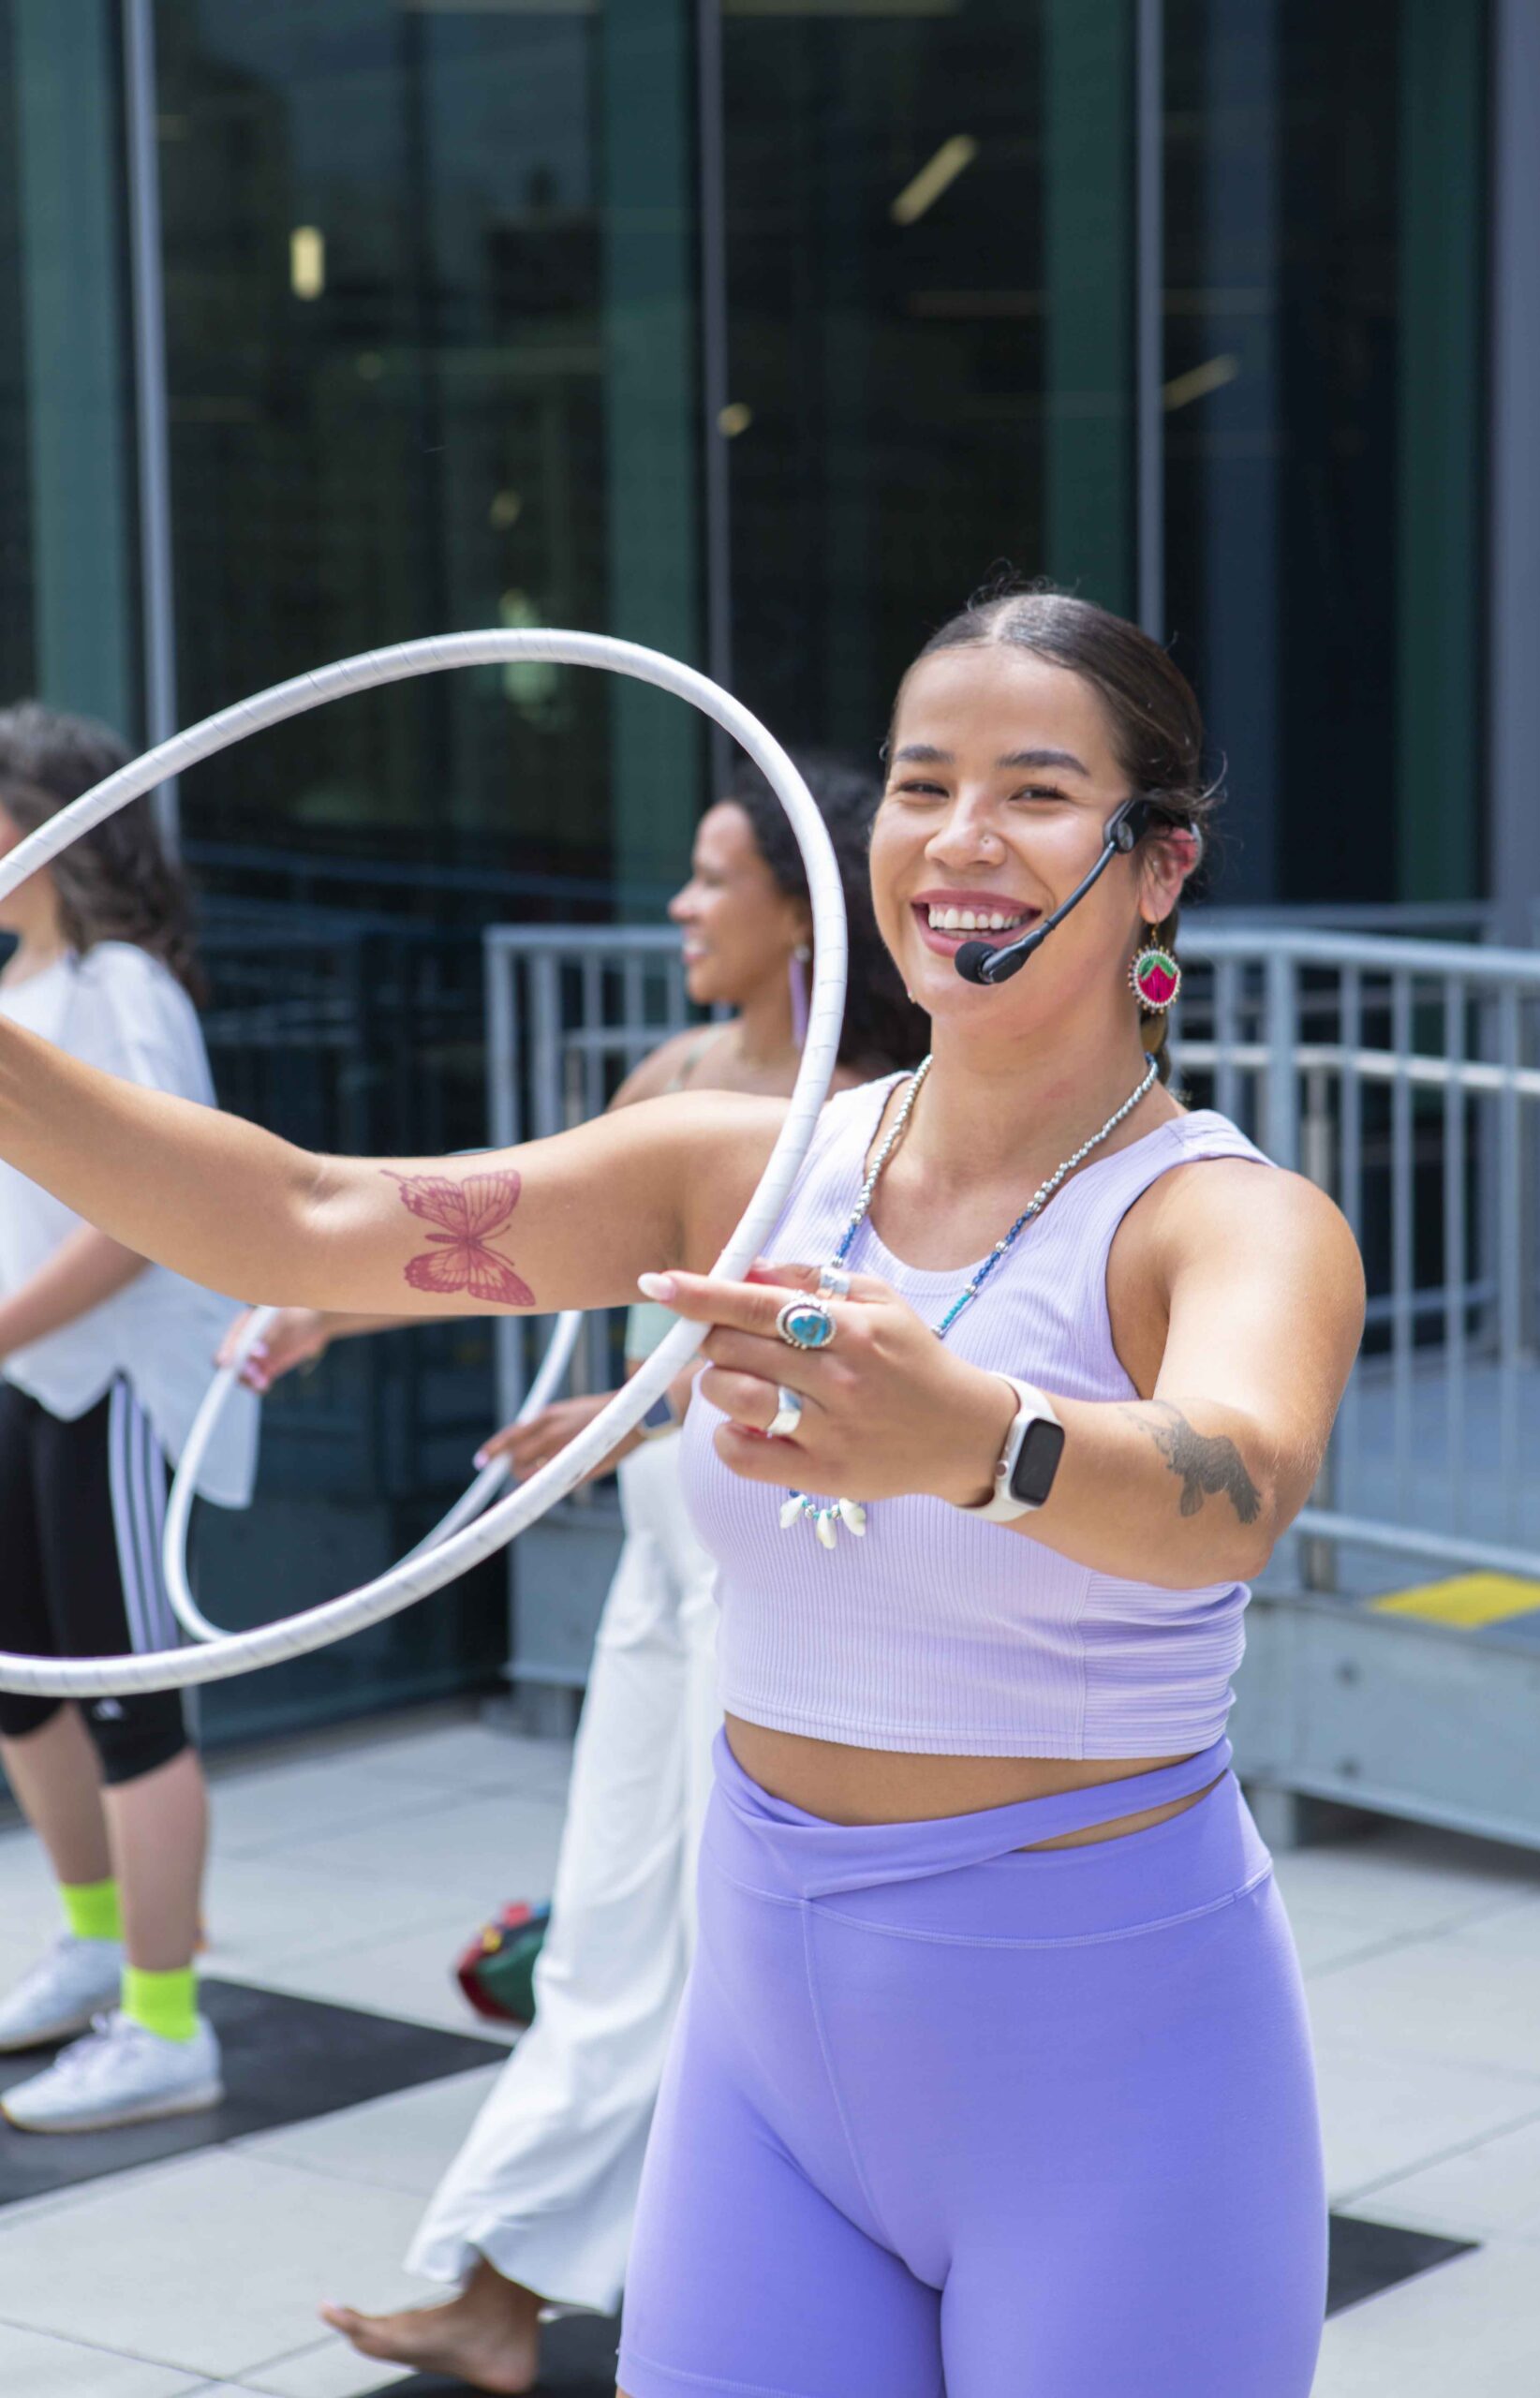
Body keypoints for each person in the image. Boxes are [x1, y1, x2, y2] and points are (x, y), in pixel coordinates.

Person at [0, 589, 1364, 2395]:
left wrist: (977, 1437)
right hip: (769, 2059)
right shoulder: (745, 1165)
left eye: (1037, 794)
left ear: (1158, 865)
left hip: (1112, 2059)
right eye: (920, 784)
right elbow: (310, 1221)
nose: (960, 842)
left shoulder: (1231, 1218)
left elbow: (1235, 1487)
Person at [221, 755, 925, 2393]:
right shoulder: (678, 1082)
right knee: (611, 1923)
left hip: (795, 1581)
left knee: (741, 1948)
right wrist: (321, 1304)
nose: (682, 906)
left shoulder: (879, 1120)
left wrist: (618, 1424)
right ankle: (501, 2288)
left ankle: (761, 2285)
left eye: (710, 876)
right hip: (669, 1571)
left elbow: (825, 1373)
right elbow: (485, 1240)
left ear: (793, 906)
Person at [0, 703, 258, 2132]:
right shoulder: (28, 985)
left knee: (132, 1709)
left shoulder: (121, 987)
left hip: (110, 1394)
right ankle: (95, 1946)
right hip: (31, 1382)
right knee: (27, 1691)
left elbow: (154, 1220)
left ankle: (167, 2023)